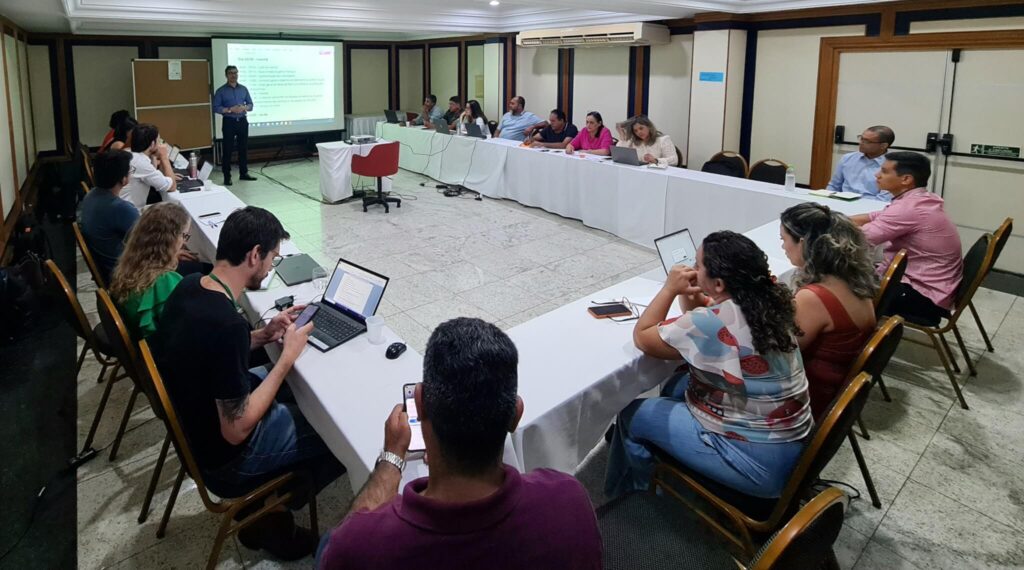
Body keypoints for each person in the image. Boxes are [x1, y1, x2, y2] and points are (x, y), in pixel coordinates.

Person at [317, 318, 602, 570]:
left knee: (326, 545)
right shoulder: (570, 500)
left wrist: (392, 457)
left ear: (419, 403)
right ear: (515, 415)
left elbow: (339, 549)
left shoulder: (359, 547)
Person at [151, 206, 344, 560]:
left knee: (297, 396)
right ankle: (273, 513)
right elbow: (236, 429)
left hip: (196, 421)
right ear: (255, 254)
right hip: (226, 460)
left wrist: (263, 335)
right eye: (272, 258)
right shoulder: (226, 325)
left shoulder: (192, 286)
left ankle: (270, 506)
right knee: (338, 428)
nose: (271, 267)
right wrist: (286, 358)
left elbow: (211, 349)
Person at [606, 231, 812, 499]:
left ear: (718, 284)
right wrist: (694, 290)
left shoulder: (713, 322)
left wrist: (669, 289)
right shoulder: (770, 299)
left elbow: (644, 337)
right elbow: (698, 318)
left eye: (698, 265)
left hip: (756, 462)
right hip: (789, 440)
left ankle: (639, 490)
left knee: (631, 413)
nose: (693, 269)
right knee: (677, 385)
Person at [780, 203, 877, 418]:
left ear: (802, 243)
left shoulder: (814, 298)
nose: (783, 247)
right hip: (836, 391)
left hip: (808, 398)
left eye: (784, 240)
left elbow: (779, 356)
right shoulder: (852, 280)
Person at [851, 151, 963, 327]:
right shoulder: (921, 199)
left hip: (922, 296)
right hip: (936, 287)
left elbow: (859, 239)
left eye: (885, 171)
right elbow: (875, 216)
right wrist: (837, 217)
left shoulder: (908, 208)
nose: (877, 175)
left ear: (906, 179)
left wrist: (824, 226)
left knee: (837, 286)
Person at [109, 203, 191, 339]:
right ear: (171, 239)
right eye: (184, 236)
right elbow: (186, 331)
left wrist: (170, 255)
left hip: (141, 344)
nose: (184, 242)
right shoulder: (166, 282)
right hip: (161, 352)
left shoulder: (129, 265)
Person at [78, 150, 140, 285]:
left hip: (108, 267)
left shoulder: (91, 195)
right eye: (130, 171)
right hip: (127, 276)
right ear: (123, 179)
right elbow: (148, 244)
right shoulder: (120, 208)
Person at [213, 65, 256, 186]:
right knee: (227, 149)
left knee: (243, 148)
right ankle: (227, 176)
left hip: (242, 121)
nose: (234, 75)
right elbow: (216, 107)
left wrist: (244, 107)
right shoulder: (221, 91)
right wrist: (230, 109)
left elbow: (251, 105)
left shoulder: (243, 89)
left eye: (236, 73)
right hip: (229, 122)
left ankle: (244, 173)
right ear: (226, 75)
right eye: (231, 73)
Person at [826, 125, 894, 201]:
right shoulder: (847, 158)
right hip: (841, 201)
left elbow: (883, 199)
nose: (861, 143)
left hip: (870, 207)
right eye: (861, 139)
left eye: (867, 141)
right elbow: (834, 186)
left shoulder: (892, 165)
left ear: (883, 146)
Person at [121, 123, 178, 210]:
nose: (160, 144)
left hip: (122, 207)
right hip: (132, 213)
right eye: (159, 141)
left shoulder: (128, 153)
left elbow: (153, 173)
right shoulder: (141, 162)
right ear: (152, 144)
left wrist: (153, 156)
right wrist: (164, 157)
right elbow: (172, 187)